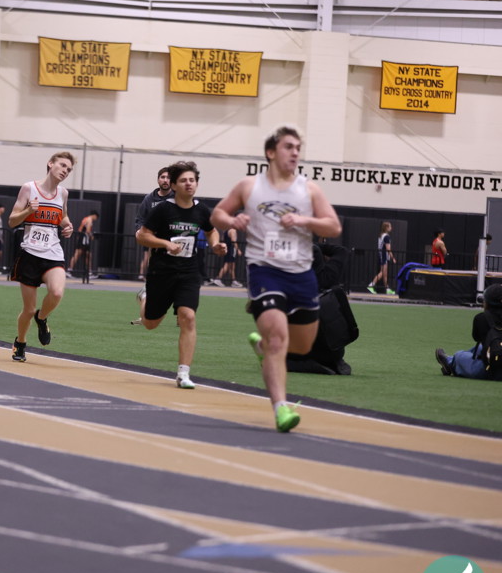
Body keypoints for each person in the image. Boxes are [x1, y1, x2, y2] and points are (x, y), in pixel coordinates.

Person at [211, 125, 342, 432]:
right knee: (278, 338)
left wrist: (304, 220)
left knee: (302, 347)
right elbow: (217, 214)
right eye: (288, 147)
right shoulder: (249, 186)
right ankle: (281, 408)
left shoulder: (309, 189)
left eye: (298, 148)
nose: (295, 152)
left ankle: (263, 349)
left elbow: (334, 227)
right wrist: (232, 220)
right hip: (265, 271)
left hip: (301, 274)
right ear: (271, 152)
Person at [135, 161, 225, 388]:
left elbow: (211, 231)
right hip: (162, 271)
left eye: (192, 180)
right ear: (174, 185)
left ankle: (183, 373)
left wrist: (216, 245)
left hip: (189, 271)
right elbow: (142, 236)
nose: (188, 184)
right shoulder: (163, 210)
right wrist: (165, 243)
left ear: (197, 184)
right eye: (183, 180)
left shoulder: (202, 210)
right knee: (150, 323)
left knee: (188, 316)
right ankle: (144, 297)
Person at [8, 151, 76, 362]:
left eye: (69, 169)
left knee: (56, 292)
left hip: (53, 252)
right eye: (62, 165)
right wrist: (28, 211)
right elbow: (12, 221)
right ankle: (20, 342)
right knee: (28, 309)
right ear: (50, 164)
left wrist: (68, 226)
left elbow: (63, 216)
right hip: (30, 254)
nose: (65, 171)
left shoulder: (63, 193)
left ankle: (42, 317)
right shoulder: (29, 188)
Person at [287, 242, 358, 376]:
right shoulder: (329, 275)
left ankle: (306, 364)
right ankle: (330, 362)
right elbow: (341, 251)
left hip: (303, 350)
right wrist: (315, 246)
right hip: (333, 351)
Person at [435, 283, 502, 380]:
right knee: (480, 347)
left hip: (489, 371)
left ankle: (450, 362)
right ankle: (450, 360)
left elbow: (476, 337)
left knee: (459, 355)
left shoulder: (481, 318)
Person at [135, 167, 174, 280]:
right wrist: (139, 231)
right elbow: (140, 218)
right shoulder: (149, 198)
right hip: (153, 238)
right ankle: (145, 277)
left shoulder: (177, 197)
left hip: (171, 240)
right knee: (150, 260)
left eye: (168, 178)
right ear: (158, 180)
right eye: (163, 177)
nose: (165, 180)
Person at [67, 211, 99, 279]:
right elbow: (88, 231)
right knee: (78, 254)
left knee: (88, 255)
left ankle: (88, 272)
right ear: (95, 215)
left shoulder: (85, 219)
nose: (95, 219)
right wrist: (92, 236)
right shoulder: (89, 220)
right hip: (84, 238)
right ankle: (70, 270)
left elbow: (80, 229)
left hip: (82, 237)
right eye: (96, 218)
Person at [367, 222, 396, 294]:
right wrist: (393, 258)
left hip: (381, 256)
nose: (391, 228)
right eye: (390, 226)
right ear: (386, 228)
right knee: (382, 272)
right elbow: (388, 249)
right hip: (384, 256)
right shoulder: (386, 237)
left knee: (384, 274)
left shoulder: (381, 235)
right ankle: (371, 285)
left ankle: (387, 289)